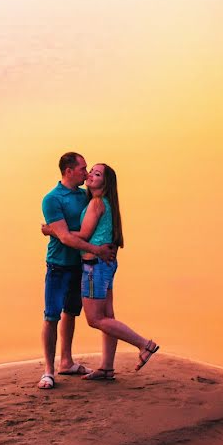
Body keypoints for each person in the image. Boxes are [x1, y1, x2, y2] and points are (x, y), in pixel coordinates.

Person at [45, 163, 158, 381]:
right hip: (105, 265)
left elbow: (85, 234)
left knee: (95, 319)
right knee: (107, 315)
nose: (90, 175)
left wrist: (53, 230)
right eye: (89, 171)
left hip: (94, 265)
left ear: (105, 183)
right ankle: (107, 368)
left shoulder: (96, 203)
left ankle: (145, 345)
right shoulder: (102, 202)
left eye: (96, 174)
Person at [38, 153, 117, 390]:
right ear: (69, 170)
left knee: (71, 312)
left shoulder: (85, 196)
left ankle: (66, 362)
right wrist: (97, 249)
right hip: (59, 264)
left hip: (81, 266)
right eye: (83, 169)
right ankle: (48, 371)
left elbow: (96, 223)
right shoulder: (52, 199)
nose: (86, 173)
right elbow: (65, 237)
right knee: (51, 315)